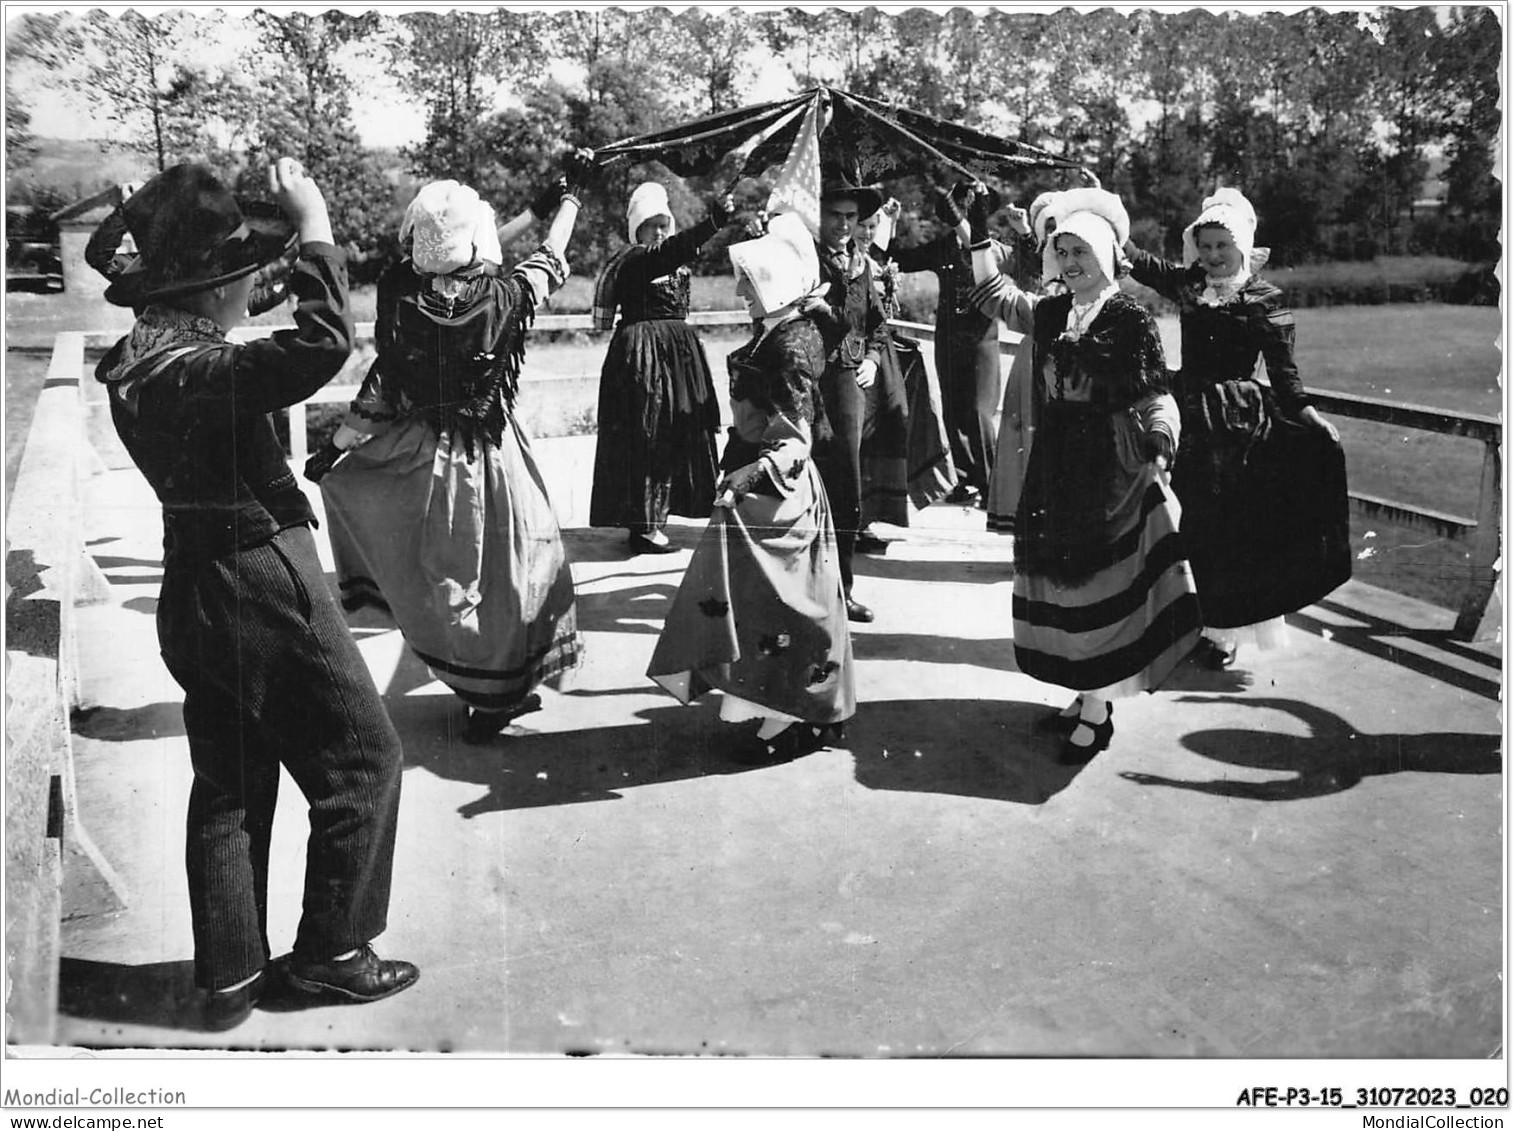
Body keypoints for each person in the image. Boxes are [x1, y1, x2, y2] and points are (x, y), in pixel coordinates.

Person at [92, 160, 418, 1030]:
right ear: (211, 290)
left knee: (230, 783)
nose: (257, 284)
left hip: (191, 585)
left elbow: (239, 334)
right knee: (364, 761)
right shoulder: (203, 371)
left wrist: (277, 273)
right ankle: (333, 955)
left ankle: (230, 972)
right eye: (244, 275)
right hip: (264, 574)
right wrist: (314, 227)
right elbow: (318, 346)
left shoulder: (141, 360)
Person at [307, 158, 590, 744]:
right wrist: (568, 205)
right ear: (475, 240)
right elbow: (551, 259)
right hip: (492, 451)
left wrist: (336, 447)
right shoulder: (505, 296)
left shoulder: (402, 295)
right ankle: (499, 692)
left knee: (446, 573)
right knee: (509, 573)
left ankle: (476, 686)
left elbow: (381, 388)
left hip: (422, 452)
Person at [959, 185, 1202, 763]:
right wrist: (975, 231)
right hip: (1056, 462)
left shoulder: (1130, 318)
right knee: (1061, 580)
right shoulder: (1050, 312)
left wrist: (1161, 441)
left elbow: (1155, 396)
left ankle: (1097, 709)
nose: (1070, 264)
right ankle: (1085, 691)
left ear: (1107, 256)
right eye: (1062, 253)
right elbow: (992, 293)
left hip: (1108, 464)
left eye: (1081, 253)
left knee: (1098, 580)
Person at [647, 212, 856, 762]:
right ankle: (784, 706)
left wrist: (748, 473)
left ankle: (792, 712)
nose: (739, 290)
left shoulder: (788, 347)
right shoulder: (784, 330)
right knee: (759, 605)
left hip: (776, 487)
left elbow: (795, 442)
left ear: (775, 283)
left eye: (748, 280)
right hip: (763, 480)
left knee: (782, 607)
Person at [1123, 188, 1351, 669]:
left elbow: (1284, 368)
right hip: (1189, 410)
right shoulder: (1188, 284)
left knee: (1231, 525)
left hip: (1237, 419)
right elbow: (1139, 261)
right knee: (1186, 517)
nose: (1211, 256)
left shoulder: (1268, 299)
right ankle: (1191, 617)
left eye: (1221, 247)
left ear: (1243, 246)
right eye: (1204, 246)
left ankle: (1226, 633)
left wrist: (1307, 414)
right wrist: (1105, 216)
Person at [588, 183, 733, 554]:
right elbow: (672, 251)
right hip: (644, 354)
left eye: (663, 223)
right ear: (636, 229)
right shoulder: (636, 259)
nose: (658, 231)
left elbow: (679, 250)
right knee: (648, 430)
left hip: (677, 354)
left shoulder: (669, 259)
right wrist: (712, 222)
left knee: (677, 428)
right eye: (650, 224)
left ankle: (663, 513)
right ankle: (644, 524)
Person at [872, 186, 1013, 507]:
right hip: (948, 339)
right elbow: (898, 259)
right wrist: (888, 224)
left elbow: (1018, 266)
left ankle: (993, 485)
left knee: (979, 415)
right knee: (952, 413)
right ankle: (968, 480)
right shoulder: (944, 248)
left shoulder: (994, 250)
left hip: (981, 342)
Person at [807, 170, 893, 622]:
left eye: (851, 216)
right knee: (803, 483)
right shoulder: (805, 258)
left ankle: (842, 590)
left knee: (846, 486)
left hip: (849, 383)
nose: (843, 224)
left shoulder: (861, 262)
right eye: (835, 215)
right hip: (808, 378)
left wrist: (874, 360)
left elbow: (878, 323)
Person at [862, 202, 955, 513]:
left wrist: (888, 221)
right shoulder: (846, 262)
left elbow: (877, 256)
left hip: (876, 351)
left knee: (886, 427)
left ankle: (871, 513)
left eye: (871, 226)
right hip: (856, 354)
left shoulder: (870, 261)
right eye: (861, 226)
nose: (866, 232)